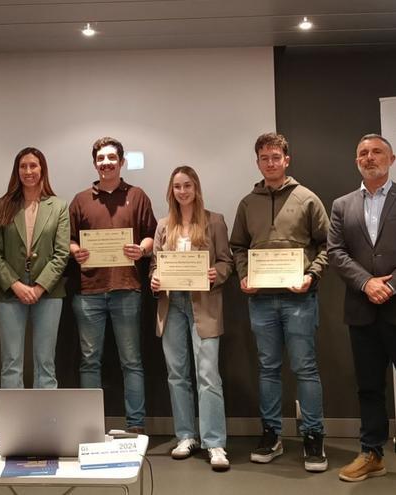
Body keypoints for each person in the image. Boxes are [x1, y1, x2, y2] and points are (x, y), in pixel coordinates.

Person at [327, 133, 396, 494]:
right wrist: (366, 283)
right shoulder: (342, 205)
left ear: (392, 158)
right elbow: (337, 252)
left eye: (376, 152)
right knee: (369, 389)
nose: (369, 158)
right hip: (362, 312)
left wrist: (390, 285)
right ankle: (371, 454)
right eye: (362, 153)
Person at [230, 132, 330, 473]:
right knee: (268, 369)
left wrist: (311, 277)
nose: (270, 163)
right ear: (257, 162)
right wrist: (244, 276)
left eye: (276, 157)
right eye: (264, 158)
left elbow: (328, 246)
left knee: (305, 368)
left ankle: (313, 436)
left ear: (286, 159)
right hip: (261, 301)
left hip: (299, 299)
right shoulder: (247, 203)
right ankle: (271, 433)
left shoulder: (307, 199)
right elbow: (238, 247)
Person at [68, 136, 157, 433]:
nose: (106, 163)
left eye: (111, 158)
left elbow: (150, 235)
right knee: (89, 361)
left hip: (126, 289)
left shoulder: (138, 195)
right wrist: (75, 251)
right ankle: (89, 426)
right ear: (95, 163)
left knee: (131, 360)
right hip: (88, 291)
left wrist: (141, 250)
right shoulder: (80, 199)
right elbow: (68, 239)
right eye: (100, 158)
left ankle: (136, 426)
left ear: (121, 162)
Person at [149, 166, 233, 471]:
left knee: (208, 374)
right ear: (171, 191)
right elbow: (154, 268)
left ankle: (215, 442)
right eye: (177, 187)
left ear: (196, 188)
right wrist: (154, 280)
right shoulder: (163, 226)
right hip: (171, 305)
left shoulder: (215, 221)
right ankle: (186, 435)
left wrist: (216, 274)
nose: (182, 191)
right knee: (177, 374)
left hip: (204, 305)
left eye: (187, 186)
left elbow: (226, 262)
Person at [0, 147, 70, 389]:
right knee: (11, 362)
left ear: (42, 169)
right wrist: (16, 285)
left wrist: (40, 287)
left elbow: (62, 253)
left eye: (33, 165)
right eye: (23, 166)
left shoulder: (59, 206)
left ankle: (44, 425)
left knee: (45, 363)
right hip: (8, 291)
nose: (28, 171)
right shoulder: (1, 205)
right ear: (17, 171)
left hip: (48, 292)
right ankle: (14, 425)